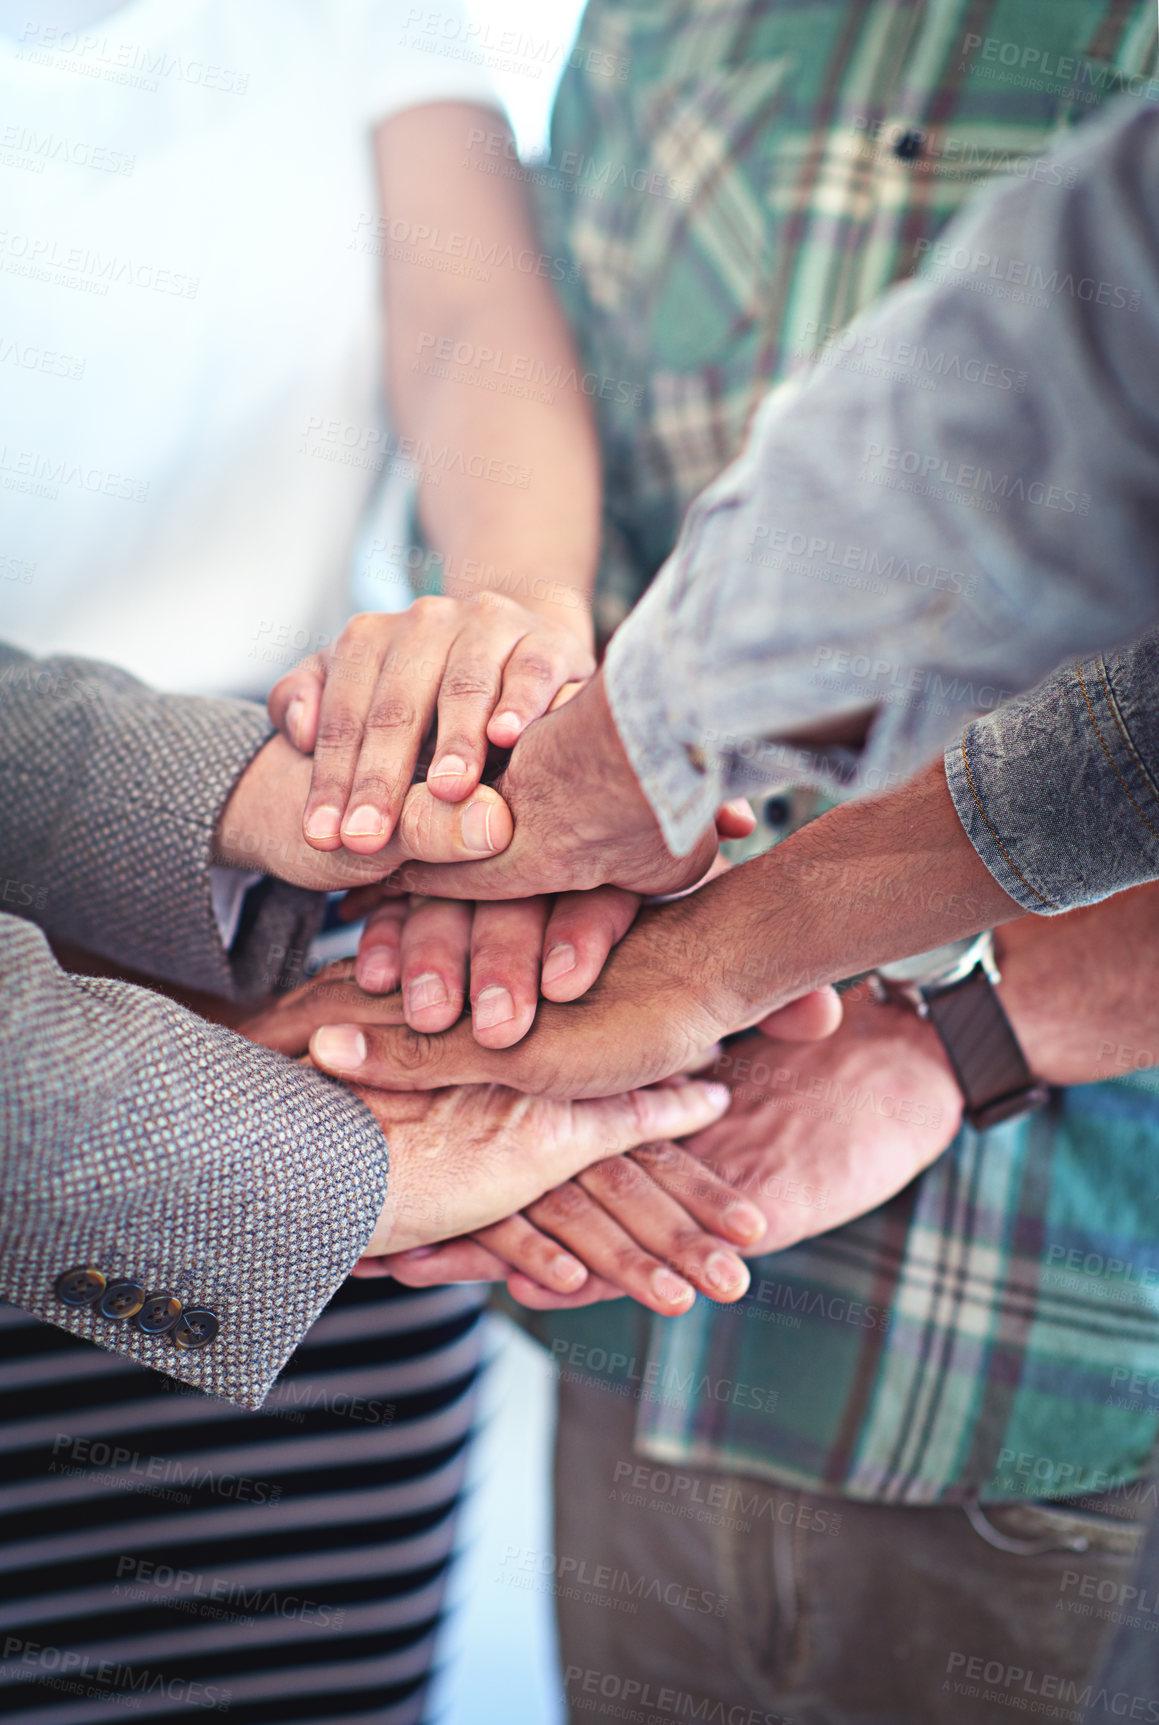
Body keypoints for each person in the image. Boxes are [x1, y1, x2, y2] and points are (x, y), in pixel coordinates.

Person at [266, 25, 1159, 1724]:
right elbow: (548, 498)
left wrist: (950, 1033)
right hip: (620, 1308)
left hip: (1063, 1334)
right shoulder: (657, 32)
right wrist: (513, 829)